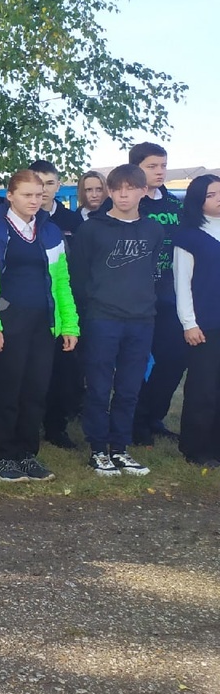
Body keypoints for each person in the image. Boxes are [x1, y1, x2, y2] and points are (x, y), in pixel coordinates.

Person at [0, 169, 80, 483]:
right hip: (8, 322)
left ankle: (26, 453)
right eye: (27, 195)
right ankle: (4, 457)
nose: (35, 200)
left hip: (43, 323)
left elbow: (61, 281)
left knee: (35, 390)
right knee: (7, 390)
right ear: (10, 196)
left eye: (38, 194)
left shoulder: (49, 230)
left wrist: (69, 324)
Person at [69, 164, 161, 477]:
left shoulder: (153, 230)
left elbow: (150, 270)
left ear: (143, 191)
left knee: (129, 388)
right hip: (102, 319)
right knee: (98, 387)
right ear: (109, 191)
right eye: (117, 188)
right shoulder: (91, 229)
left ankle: (120, 448)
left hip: (141, 320)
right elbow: (79, 276)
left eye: (131, 188)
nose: (123, 195)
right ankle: (98, 449)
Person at [115, 143, 186, 445]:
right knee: (135, 361)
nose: (160, 172)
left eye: (163, 165)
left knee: (175, 358)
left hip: (172, 293)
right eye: (152, 166)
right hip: (136, 295)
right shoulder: (130, 203)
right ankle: (134, 421)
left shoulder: (175, 204)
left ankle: (152, 415)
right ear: (137, 169)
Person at [30, 160, 84, 449]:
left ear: (58, 186)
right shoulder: (15, 220)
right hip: (28, 307)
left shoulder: (72, 221)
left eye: (49, 183)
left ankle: (56, 426)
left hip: (62, 305)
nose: (43, 190)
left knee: (62, 370)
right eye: (38, 183)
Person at [173, 173, 220, 467]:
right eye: (211, 195)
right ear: (198, 200)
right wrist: (189, 323)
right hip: (205, 324)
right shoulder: (188, 237)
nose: (218, 199)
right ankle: (196, 448)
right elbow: (182, 283)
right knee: (203, 388)